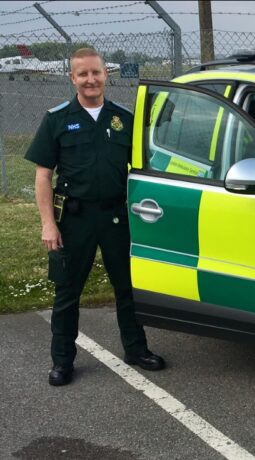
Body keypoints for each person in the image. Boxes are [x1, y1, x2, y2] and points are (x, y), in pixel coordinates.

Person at [25, 48, 165, 386]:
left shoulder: (124, 118)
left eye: (96, 73)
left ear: (106, 75)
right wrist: (48, 223)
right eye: (83, 74)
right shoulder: (57, 119)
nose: (90, 79)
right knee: (67, 291)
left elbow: (145, 167)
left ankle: (135, 348)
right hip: (75, 219)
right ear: (72, 78)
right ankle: (62, 361)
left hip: (118, 215)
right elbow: (43, 175)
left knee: (127, 287)